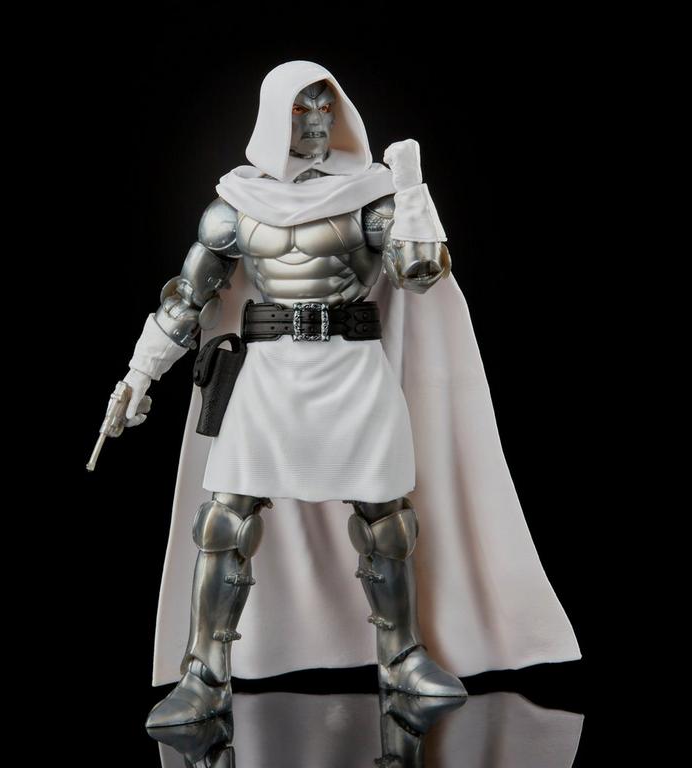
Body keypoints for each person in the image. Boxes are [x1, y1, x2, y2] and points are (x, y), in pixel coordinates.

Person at [113, 60, 581, 728]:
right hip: (269, 375)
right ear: (274, 119)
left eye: (323, 107)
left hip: (354, 371)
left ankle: (402, 656)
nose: (315, 121)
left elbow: (419, 273)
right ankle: (205, 675)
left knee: (386, 518)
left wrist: (412, 190)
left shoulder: (370, 198)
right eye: (300, 109)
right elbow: (187, 301)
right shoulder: (235, 205)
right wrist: (137, 375)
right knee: (223, 522)